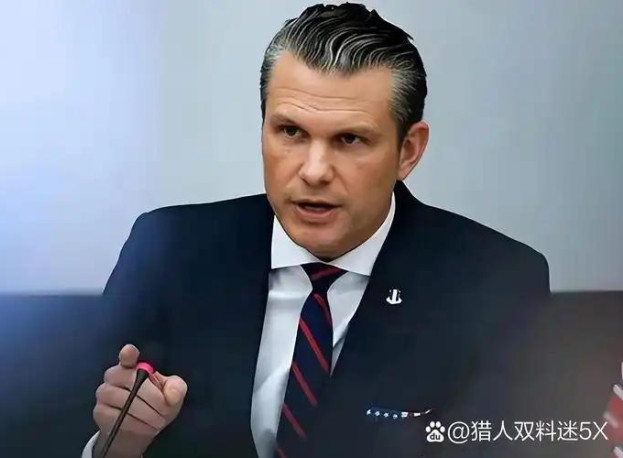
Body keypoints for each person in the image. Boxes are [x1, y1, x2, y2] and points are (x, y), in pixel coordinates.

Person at [82, 3, 550, 458]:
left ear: (408, 151)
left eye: (350, 139)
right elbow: (67, 428)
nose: (314, 171)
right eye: (290, 132)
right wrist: (117, 446)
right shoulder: (169, 249)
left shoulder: (495, 281)